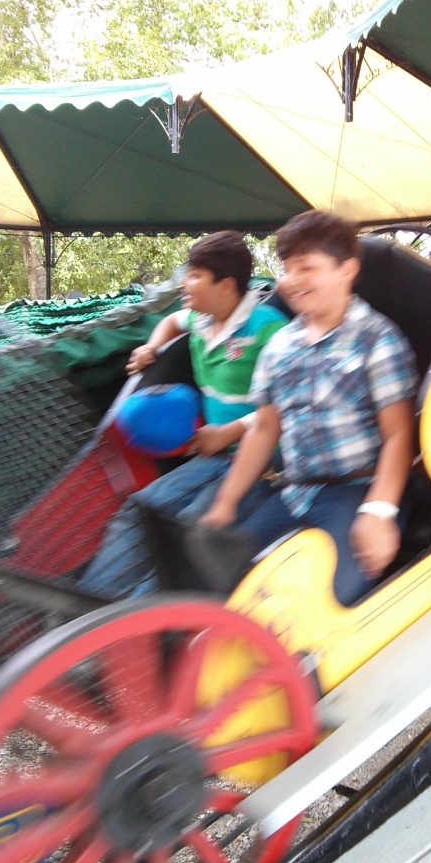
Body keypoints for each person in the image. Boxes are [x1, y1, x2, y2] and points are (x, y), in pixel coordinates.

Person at [198, 210, 417, 606]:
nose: (291, 280)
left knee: (321, 606)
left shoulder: (377, 339)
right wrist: (226, 504)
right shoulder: (279, 345)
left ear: (346, 270)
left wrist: (379, 511)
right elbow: (265, 429)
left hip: (357, 492)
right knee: (223, 585)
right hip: (295, 492)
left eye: (306, 268)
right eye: (286, 269)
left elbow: (399, 433)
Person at [77, 230, 289, 599]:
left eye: (194, 276)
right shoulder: (200, 319)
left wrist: (228, 432)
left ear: (226, 285)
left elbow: (289, 404)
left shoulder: (268, 328)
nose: (183, 284)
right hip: (215, 456)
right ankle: (85, 606)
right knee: (139, 510)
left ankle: (127, 625)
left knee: (186, 535)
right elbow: (171, 323)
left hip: (262, 464)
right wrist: (150, 347)